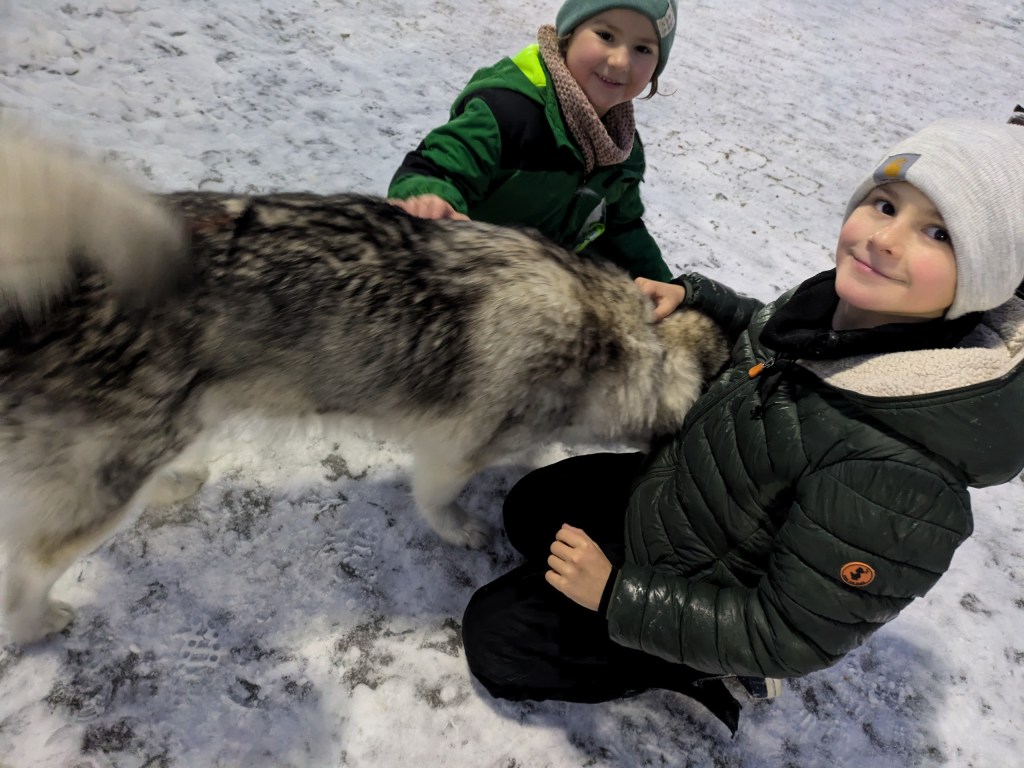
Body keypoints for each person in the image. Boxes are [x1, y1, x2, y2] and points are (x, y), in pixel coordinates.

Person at [460, 117, 1024, 733]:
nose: (887, 238)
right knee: (529, 508)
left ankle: (700, 672)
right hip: (691, 500)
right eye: (885, 203)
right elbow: (765, 336)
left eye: (937, 232)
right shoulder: (841, 309)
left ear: (984, 276)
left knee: (496, 643)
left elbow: (791, 632)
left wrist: (616, 595)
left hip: (714, 593)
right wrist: (698, 298)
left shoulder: (903, 474)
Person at [388, 0, 679, 290]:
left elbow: (622, 231)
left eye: (643, 49)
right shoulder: (509, 113)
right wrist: (431, 197)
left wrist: (667, 290)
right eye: (605, 36)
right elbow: (437, 168)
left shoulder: (622, 149)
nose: (620, 61)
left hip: (532, 303)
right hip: (454, 285)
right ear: (570, 33)